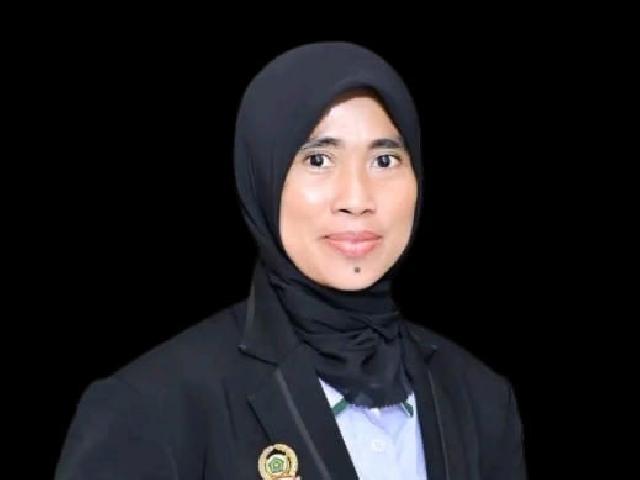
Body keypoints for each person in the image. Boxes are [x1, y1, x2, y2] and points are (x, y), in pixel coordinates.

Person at [55, 41, 527, 480]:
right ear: (262, 176)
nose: (357, 199)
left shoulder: (480, 399)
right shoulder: (151, 409)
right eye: (318, 159)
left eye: (384, 160)